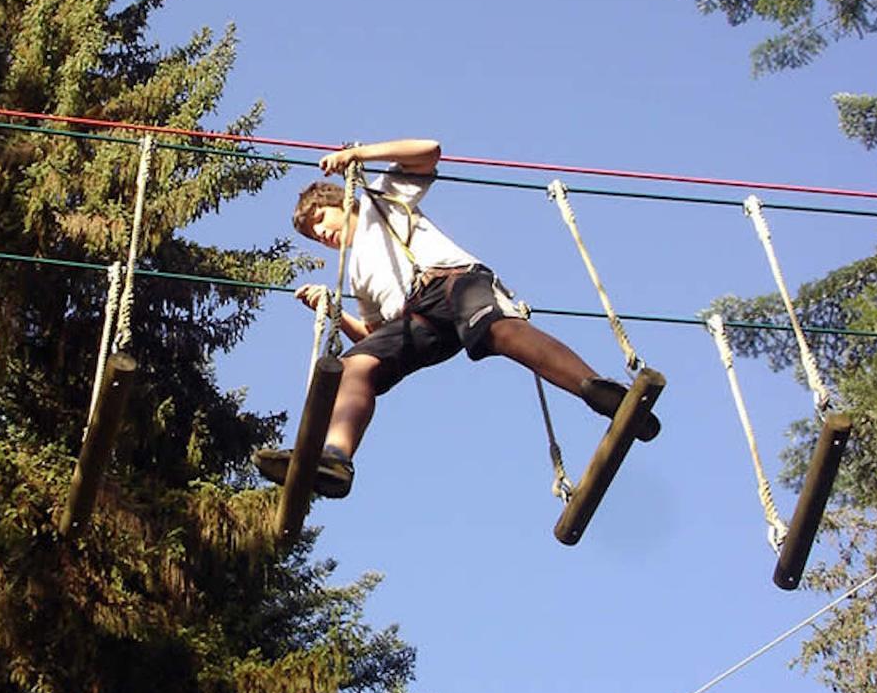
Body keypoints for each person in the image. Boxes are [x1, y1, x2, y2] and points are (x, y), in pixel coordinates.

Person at [253, 138, 659, 498]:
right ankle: (335, 456)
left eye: (321, 220)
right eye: (312, 234)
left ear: (341, 203)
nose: (321, 234)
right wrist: (337, 314)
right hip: (417, 320)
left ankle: (595, 389)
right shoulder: (356, 272)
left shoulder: (381, 200)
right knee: (354, 367)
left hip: (452, 282)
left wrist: (360, 154)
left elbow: (428, 151)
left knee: (498, 330)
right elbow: (375, 336)